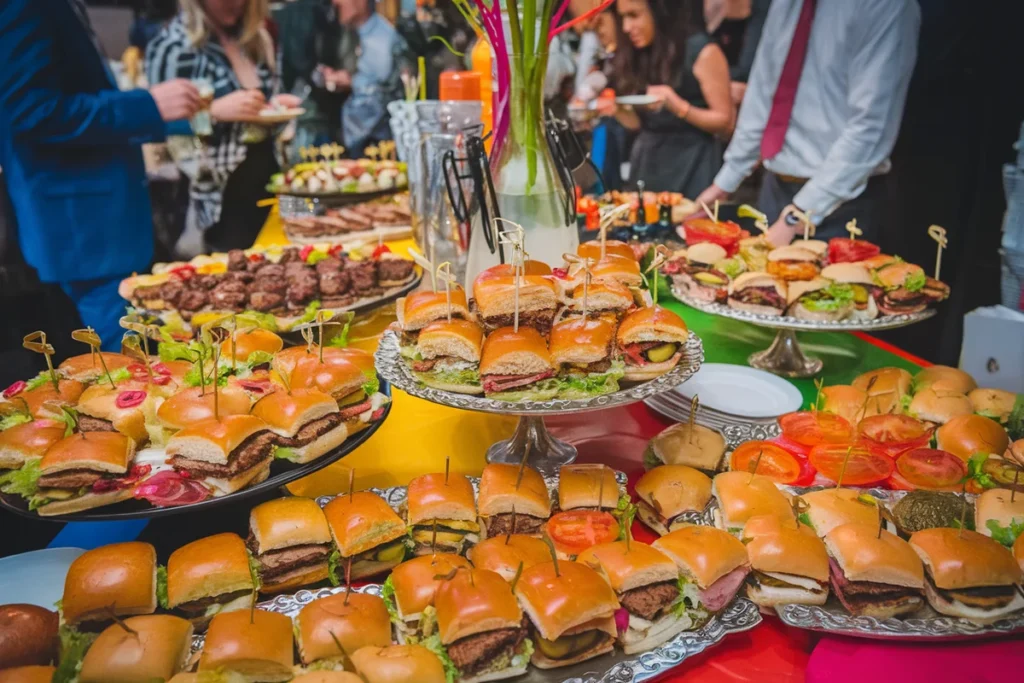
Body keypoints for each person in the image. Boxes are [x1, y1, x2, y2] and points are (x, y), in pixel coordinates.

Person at [0, 0, 202, 349]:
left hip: (97, 224)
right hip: (83, 229)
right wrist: (146, 104)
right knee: (127, 371)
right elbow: (33, 114)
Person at [694, 0, 920, 245]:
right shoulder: (787, 4)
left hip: (842, 202)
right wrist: (725, 182)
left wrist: (800, 212)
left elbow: (872, 128)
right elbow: (763, 93)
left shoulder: (885, 5)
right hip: (775, 187)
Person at [147, 0, 300, 253]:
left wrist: (275, 108)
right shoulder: (173, 46)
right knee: (242, 275)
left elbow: (260, 106)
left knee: (313, 224)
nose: (236, 3)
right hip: (219, 197)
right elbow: (159, 126)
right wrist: (213, 112)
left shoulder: (255, 38)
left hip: (274, 178)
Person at [598, 0, 735, 196]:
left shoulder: (702, 51)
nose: (627, 27)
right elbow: (638, 124)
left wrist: (678, 106)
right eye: (622, 18)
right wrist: (618, 111)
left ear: (659, 12)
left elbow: (725, 122)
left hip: (693, 163)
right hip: (648, 162)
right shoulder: (640, 53)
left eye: (634, 15)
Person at [335, 0, 412, 156]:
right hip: (358, 135)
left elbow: (380, 85)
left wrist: (350, 81)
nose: (335, 2)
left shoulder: (381, 36)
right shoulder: (353, 33)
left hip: (376, 141)